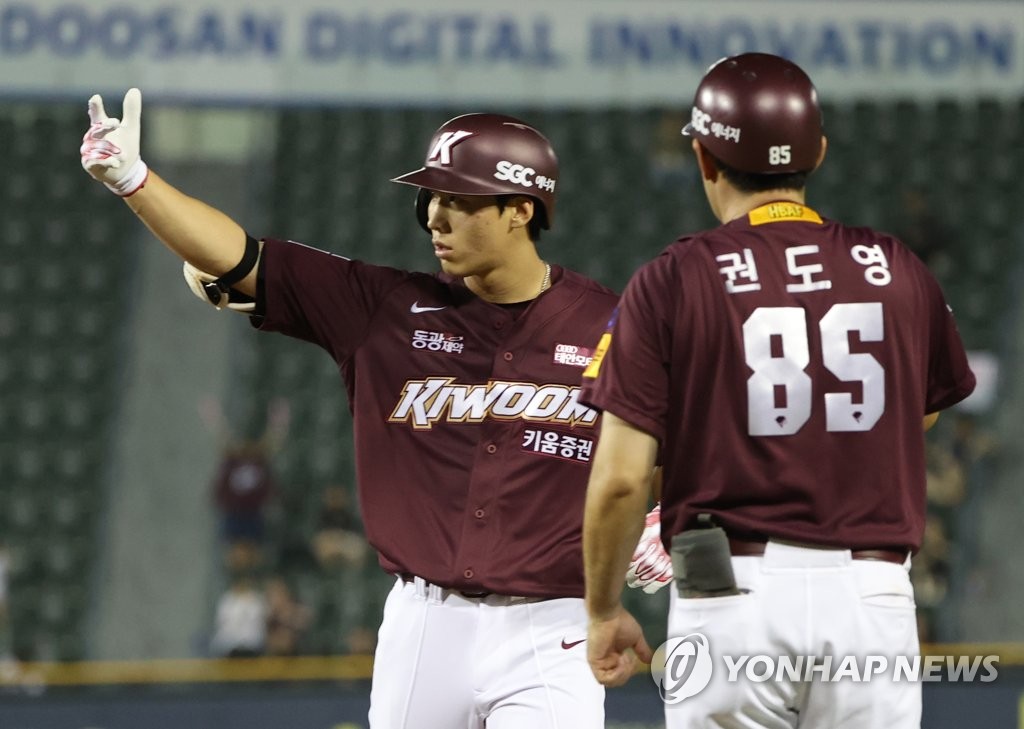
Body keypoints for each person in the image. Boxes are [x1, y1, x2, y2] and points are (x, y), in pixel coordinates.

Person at [80, 92, 617, 727]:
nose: (436, 218)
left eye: (460, 200)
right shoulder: (381, 308)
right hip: (423, 625)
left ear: (520, 210)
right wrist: (134, 181)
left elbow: (677, 440)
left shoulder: (614, 323)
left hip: (550, 625)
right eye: (432, 198)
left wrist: (656, 505)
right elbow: (241, 256)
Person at [578, 53, 976, 728]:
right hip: (873, 596)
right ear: (816, 152)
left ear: (704, 157)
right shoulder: (898, 267)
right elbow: (922, 412)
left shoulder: (674, 278)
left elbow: (620, 480)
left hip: (730, 588)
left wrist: (602, 608)